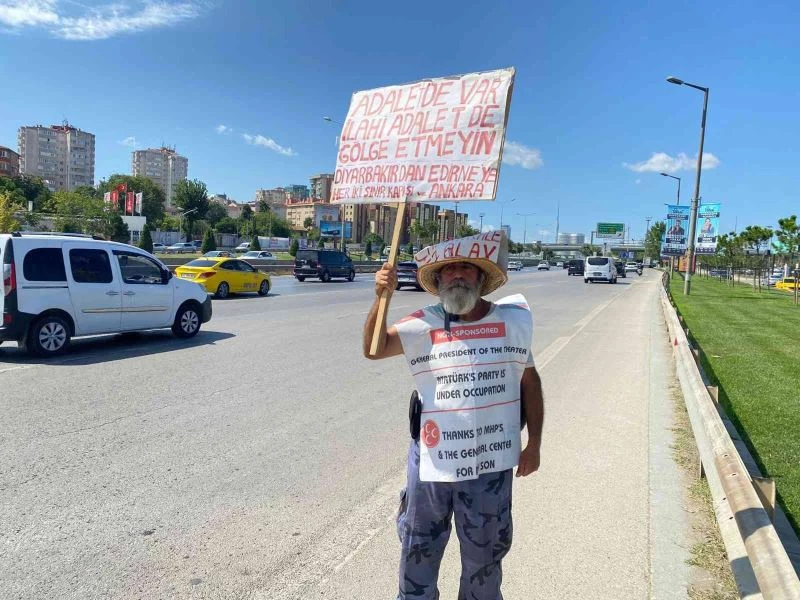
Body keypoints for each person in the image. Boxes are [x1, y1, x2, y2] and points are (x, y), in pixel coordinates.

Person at [363, 231, 544, 600]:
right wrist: (381, 298)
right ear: (438, 280)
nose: (458, 275)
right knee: (418, 550)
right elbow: (373, 348)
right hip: (430, 465)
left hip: (489, 470)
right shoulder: (422, 323)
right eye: (449, 270)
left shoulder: (512, 323)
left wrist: (534, 444)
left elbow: (530, 381)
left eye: (467, 268)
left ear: (480, 278)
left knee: (485, 560)